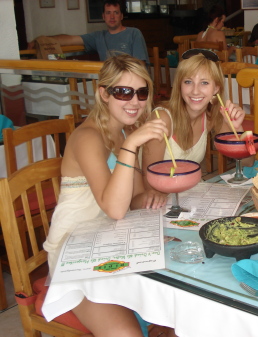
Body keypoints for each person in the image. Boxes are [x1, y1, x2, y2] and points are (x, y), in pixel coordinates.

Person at [43, 54, 169, 336]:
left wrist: (149, 196)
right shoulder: (88, 137)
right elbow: (114, 208)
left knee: (175, 309)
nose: (134, 101)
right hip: (72, 254)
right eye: (123, 92)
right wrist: (133, 144)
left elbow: (133, 198)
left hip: (108, 239)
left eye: (141, 92)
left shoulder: (123, 134)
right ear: (103, 93)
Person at [141, 48, 254, 192]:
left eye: (204, 83)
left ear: (216, 89)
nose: (195, 90)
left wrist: (239, 129)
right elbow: (148, 181)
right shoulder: (162, 118)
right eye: (188, 82)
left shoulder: (211, 117)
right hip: (164, 198)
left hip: (192, 193)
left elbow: (249, 160)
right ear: (179, 86)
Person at [27, 0, 149, 65]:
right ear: (103, 16)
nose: (112, 17)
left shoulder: (134, 33)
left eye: (116, 12)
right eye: (108, 13)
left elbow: (141, 65)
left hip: (131, 84)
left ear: (121, 16)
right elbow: (70, 39)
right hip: (109, 85)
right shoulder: (98, 37)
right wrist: (41, 40)